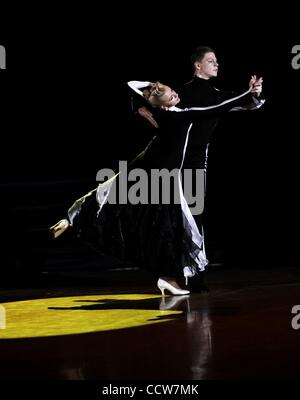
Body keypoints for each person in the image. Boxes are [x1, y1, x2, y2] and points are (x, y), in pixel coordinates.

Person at [50, 79, 262, 296]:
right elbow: (217, 107)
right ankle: (166, 277)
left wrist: (148, 96)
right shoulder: (179, 115)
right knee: (163, 226)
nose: (175, 96)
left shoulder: (165, 113)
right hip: (159, 177)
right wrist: (247, 92)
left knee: (148, 218)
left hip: (152, 170)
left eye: (173, 91)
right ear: (163, 105)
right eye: (171, 97)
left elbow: (132, 85)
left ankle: (73, 219)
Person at [137, 48, 264, 292]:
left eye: (217, 60)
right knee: (181, 219)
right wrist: (140, 107)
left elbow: (239, 105)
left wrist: (253, 94)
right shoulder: (183, 92)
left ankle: (192, 275)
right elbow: (146, 92)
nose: (216, 64)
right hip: (178, 163)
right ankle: (174, 275)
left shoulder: (216, 94)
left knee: (195, 218)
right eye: (210, 61)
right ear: (197, 65)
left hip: (198, 163)